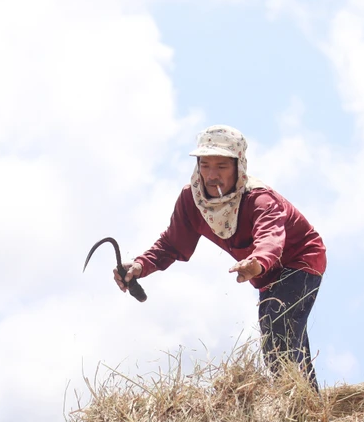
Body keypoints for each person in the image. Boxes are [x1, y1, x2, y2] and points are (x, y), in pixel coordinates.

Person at [115, 125, 326, 390]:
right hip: (263, 273)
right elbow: (171, 243)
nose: (212, 175)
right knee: (286, 339)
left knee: (277, 326)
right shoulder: (191, 200)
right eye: (205, 165)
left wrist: (256, 262)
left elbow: (271, 238)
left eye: (222, 167)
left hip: (299, 260)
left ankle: (296, 407)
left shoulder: (259, 198)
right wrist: (139, 266)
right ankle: (312, 413)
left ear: (239, 166)